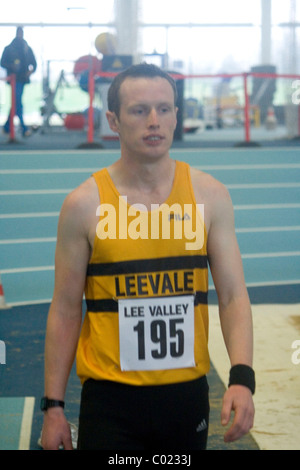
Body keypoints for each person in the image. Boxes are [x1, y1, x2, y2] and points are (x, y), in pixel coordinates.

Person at [40, 63, 255, 450]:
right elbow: (66, 308)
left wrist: (241, 379)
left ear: (176, 116)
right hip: (110, 401)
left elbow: (234, 296)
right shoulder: (84, 205)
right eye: (140, 110)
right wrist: (53, 406)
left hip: (186, 398)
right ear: (114, 120)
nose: (154, 121)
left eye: (165, 109)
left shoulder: (210, 196)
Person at [1, 26, 36, 137]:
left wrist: (29, 72)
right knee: (17, 103)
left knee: (16, 102)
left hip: (22, 79)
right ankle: (23, 127)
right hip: (13, 79)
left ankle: (7, 127)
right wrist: (12, 66)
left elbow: (34, 64)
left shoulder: (27, 48)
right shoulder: (9, 48)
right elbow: (2, 62)